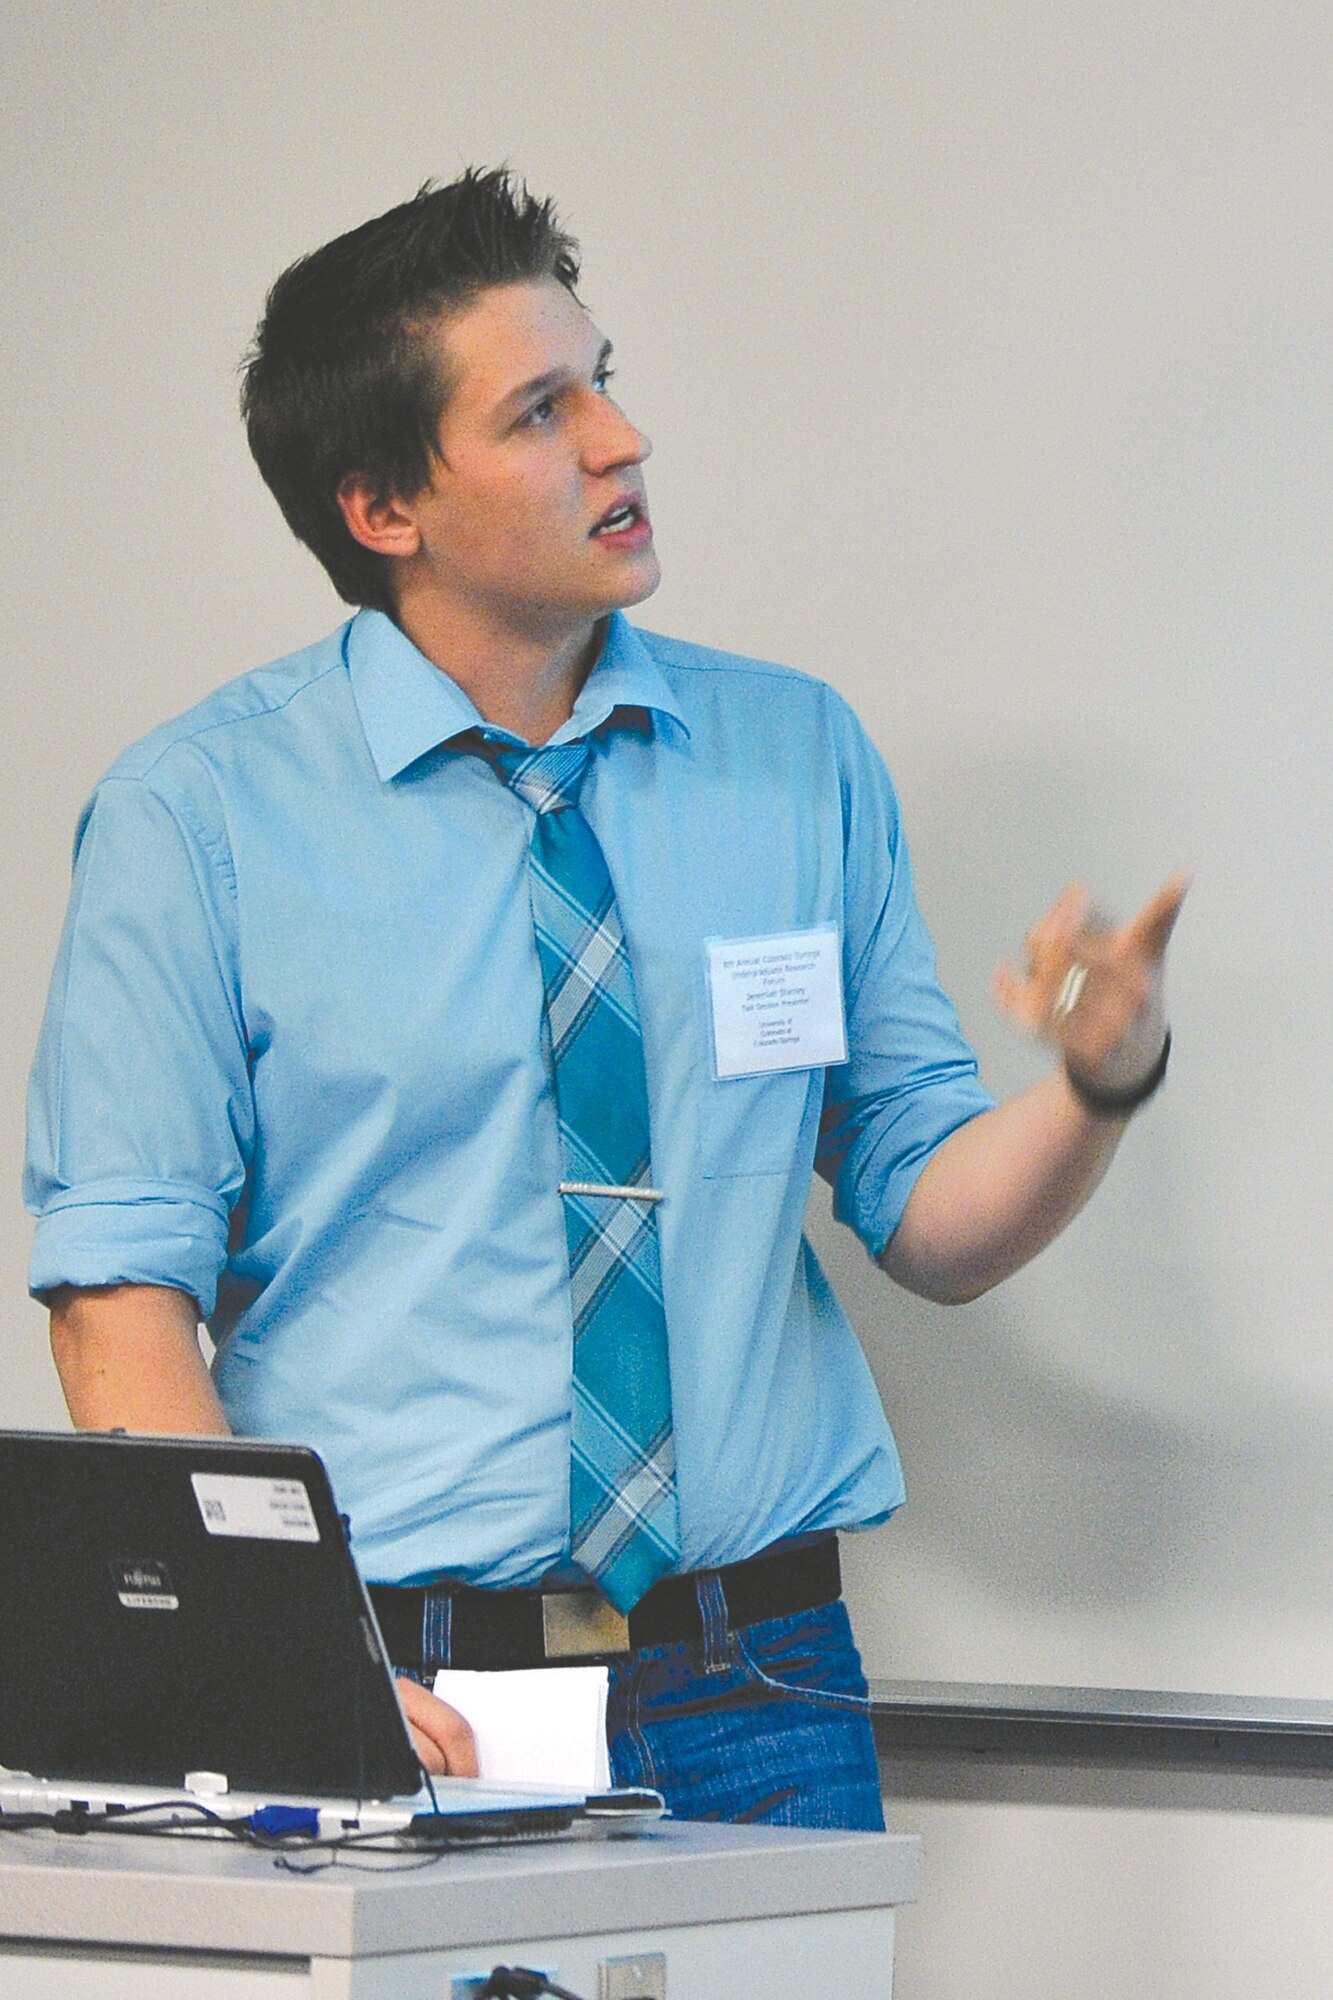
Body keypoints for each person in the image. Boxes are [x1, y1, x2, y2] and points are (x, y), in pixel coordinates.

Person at [24, 169, 1185, 1827]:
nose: (621, 440)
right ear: (382, 510)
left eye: (606, 379)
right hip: (411, 1689)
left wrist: (1094, 1086)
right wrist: (290, 1666)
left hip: (760, 1680)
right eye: (541, 411)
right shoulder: (195, 820)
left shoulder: (791, 760)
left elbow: (926, 1215)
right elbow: (121, 1295)